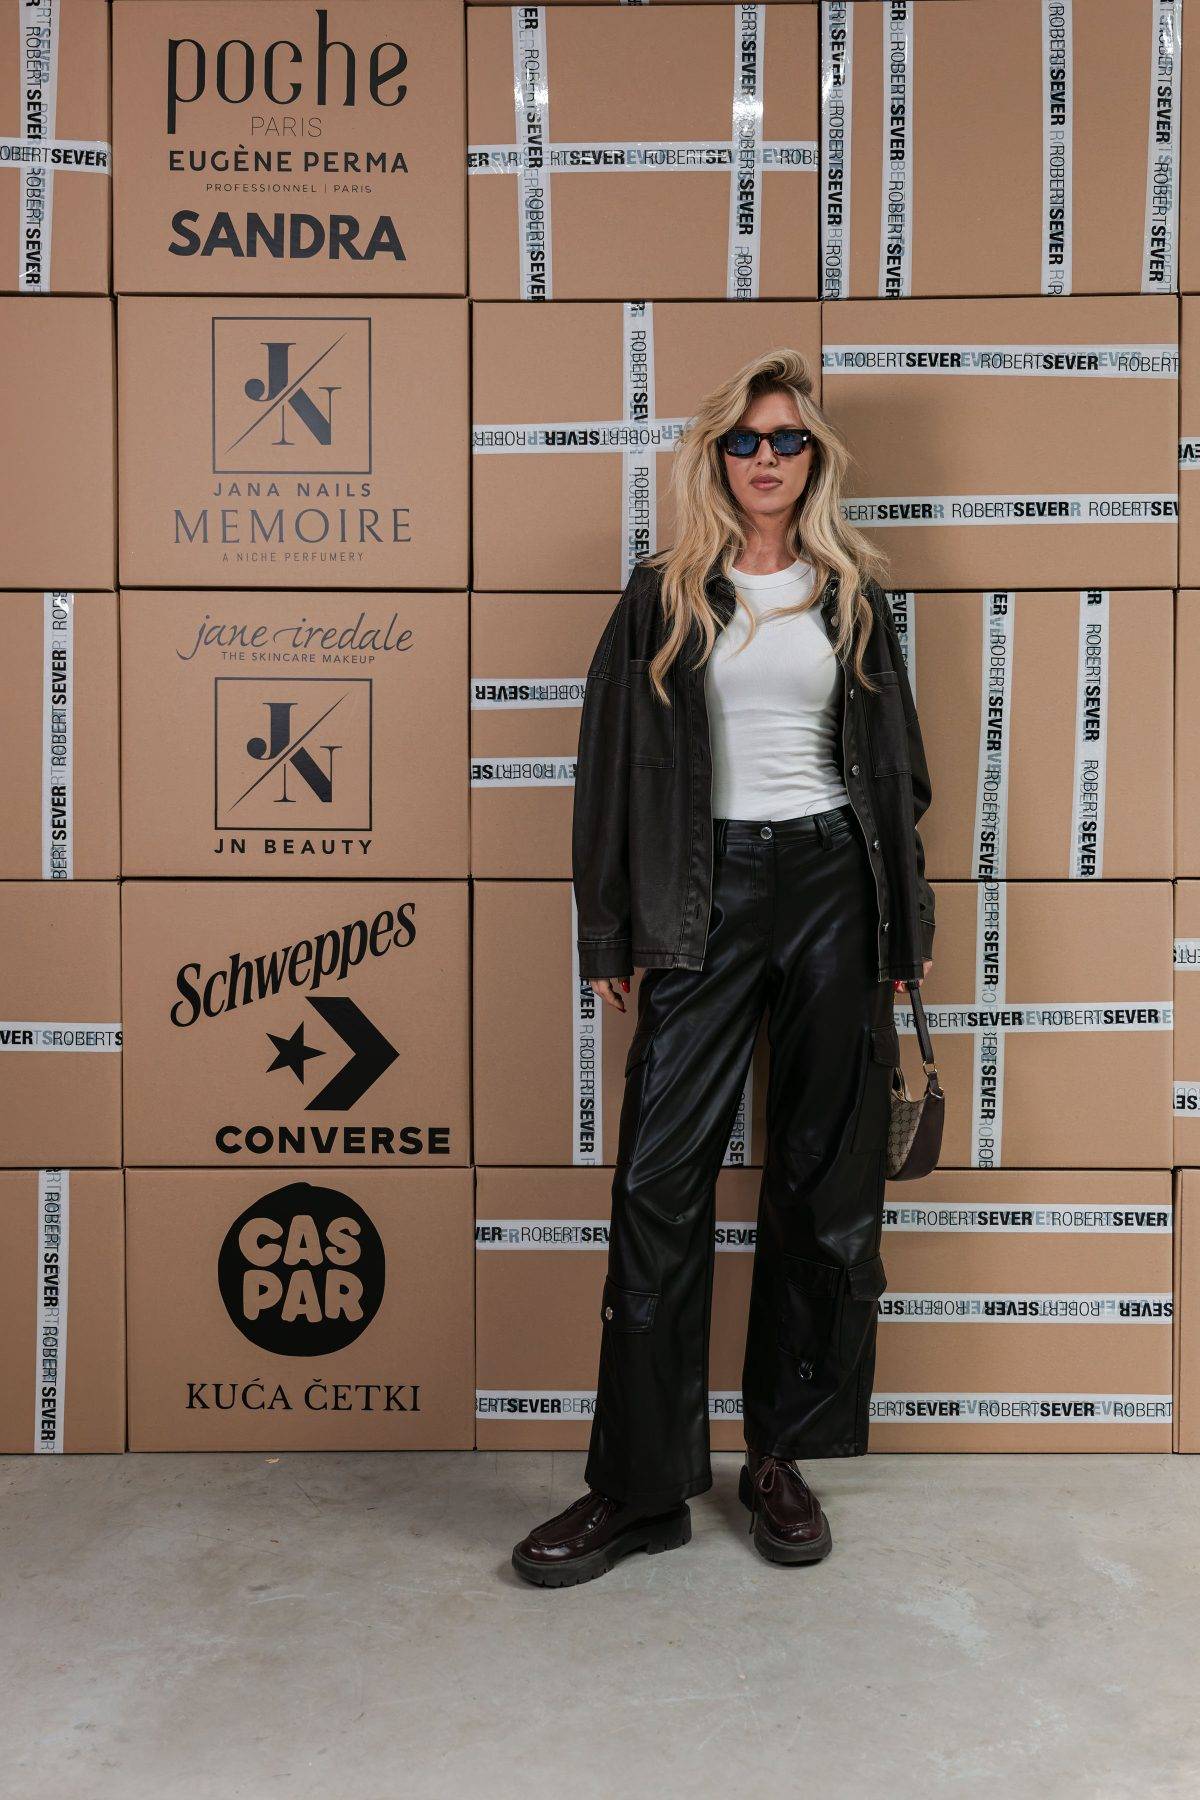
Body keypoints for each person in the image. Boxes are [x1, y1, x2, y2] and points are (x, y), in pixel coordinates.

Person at [511, 348, 936, 1587]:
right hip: (701, 896)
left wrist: (900, 936)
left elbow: (898, 777)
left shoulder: (852, 594)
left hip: (833, 891)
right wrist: (610, 931)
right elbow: (607, 771)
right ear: (715, 457)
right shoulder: (664, 594)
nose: (765, 458)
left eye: (787, 440)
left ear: (814, 461)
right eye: (744, 440)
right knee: (658, 1182)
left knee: (821, 1182)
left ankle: (778, 1461)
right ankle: (640, 1489)